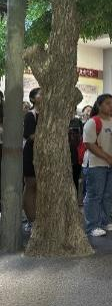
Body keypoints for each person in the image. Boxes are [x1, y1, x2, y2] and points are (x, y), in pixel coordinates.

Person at [82, 94, 112, 237]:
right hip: (96, 164)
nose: (111, 106)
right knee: (95, 195)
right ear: (99, 105)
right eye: (107, 103)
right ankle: (92, 226)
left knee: (108, 195)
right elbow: (89, 144)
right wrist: (108, 158)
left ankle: (104, 222)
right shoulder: (93, 122)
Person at [22, 88, 41, 232]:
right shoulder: (30, 115)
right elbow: (30, 135)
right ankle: (31, 220)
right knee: (31, 185)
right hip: (31, 154)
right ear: (33, 99)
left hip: (43, 156)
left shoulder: (48, 115)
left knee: (40, 188)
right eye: (41, 94)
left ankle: (38, 219)